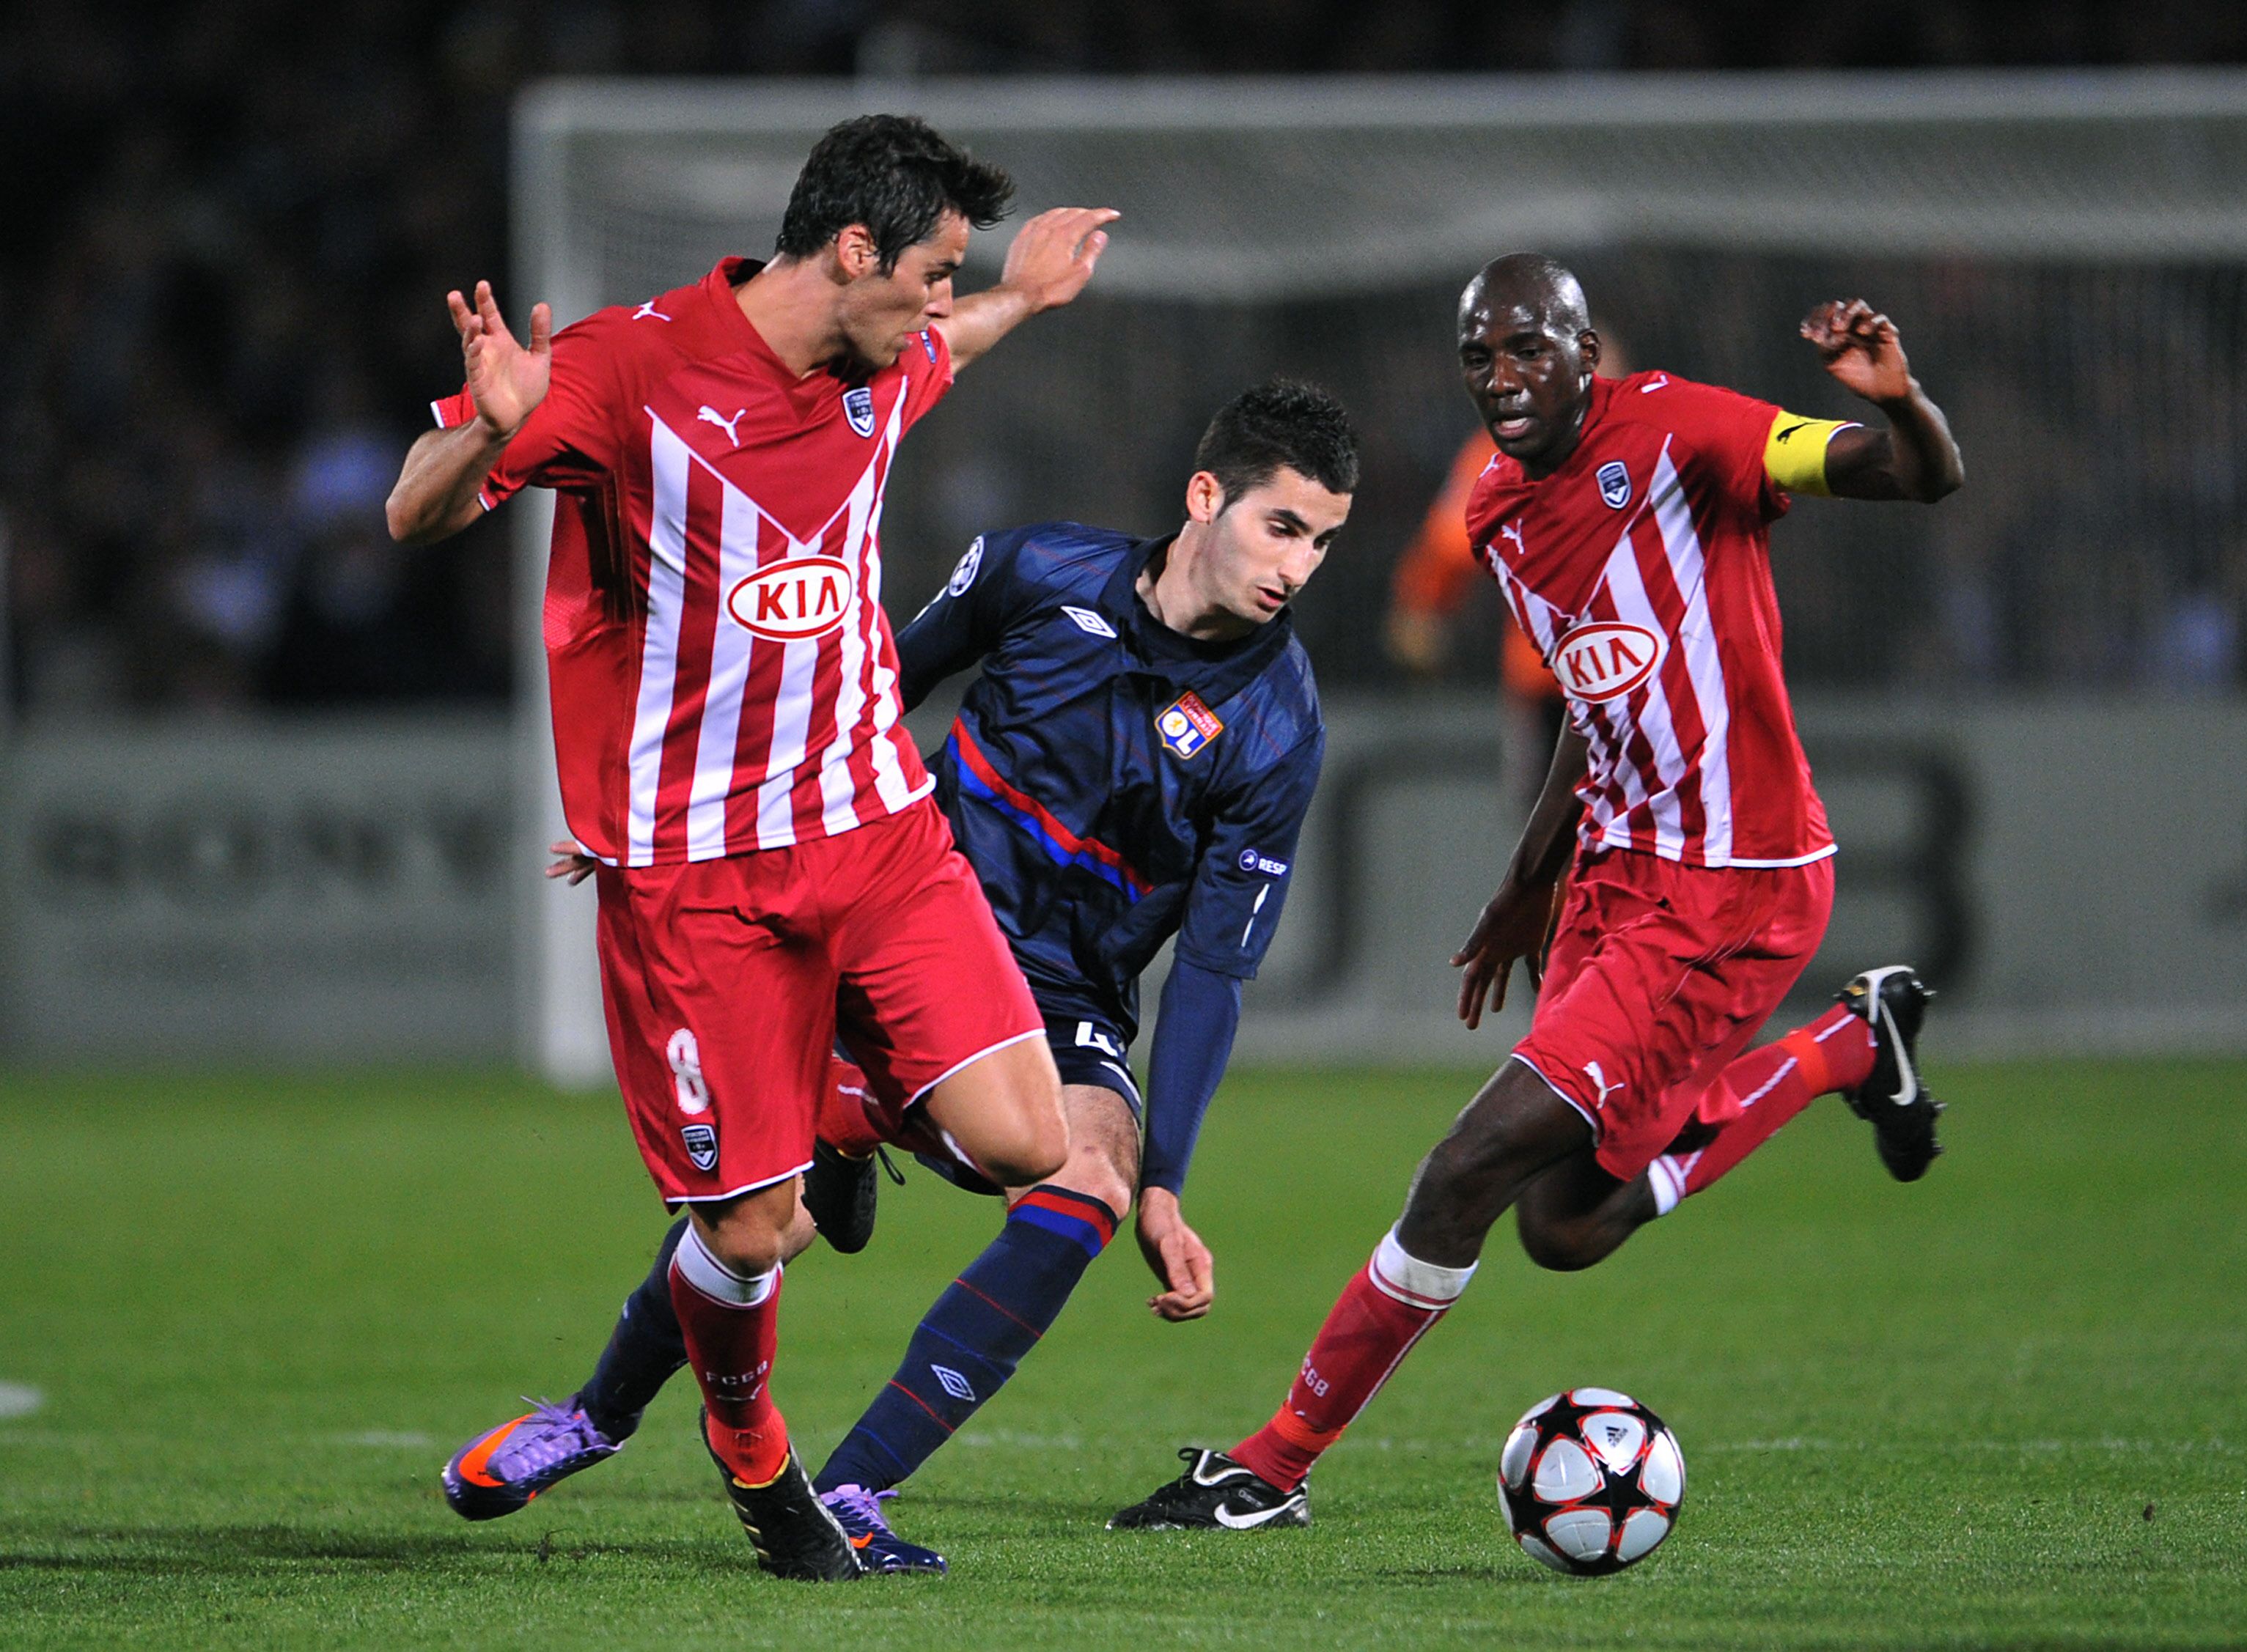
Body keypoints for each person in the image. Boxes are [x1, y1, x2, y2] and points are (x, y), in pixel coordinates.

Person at [435, 380, 1355, 1574]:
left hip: (1061, 1000)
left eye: (1322, 543)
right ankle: (595, 1415)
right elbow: (855, 694)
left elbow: (1216, 969)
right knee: (762, 1227)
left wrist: (1169, 1182)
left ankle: (854, 1486)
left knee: (1094, 1174)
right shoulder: (1037, 571)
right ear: (1204, 496)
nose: (1298, 566)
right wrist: (678, 820)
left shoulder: (1279, 725)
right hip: (896, 924)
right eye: (1283, 526)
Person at [1110, 258, 1964, 1532]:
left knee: (1467, 1166)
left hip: (1727, 885)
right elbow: (1587, 693)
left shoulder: (1686, 428)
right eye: (1480, 356)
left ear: (1583, 350)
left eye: (1529, 348)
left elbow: (1916, 474)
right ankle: (1849, 1045)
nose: (1503, 378)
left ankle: (1271, 1466)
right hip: (1613, 874)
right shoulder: (1500, 504)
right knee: (1564, 1225)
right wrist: (1528, 876)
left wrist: (1897, 400)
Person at [387, 113, 1117, 1581]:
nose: (939, 298)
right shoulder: (629, 367)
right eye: (932, 267)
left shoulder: (882, 357)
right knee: (752, 1234)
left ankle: (836, 1105)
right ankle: (753, 1456)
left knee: (1032, 1144)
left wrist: (1024, 299)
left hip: (877, 830)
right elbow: (415, 511)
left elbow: (947, 347)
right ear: (852, 250)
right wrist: (487, 426)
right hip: (699, 875)